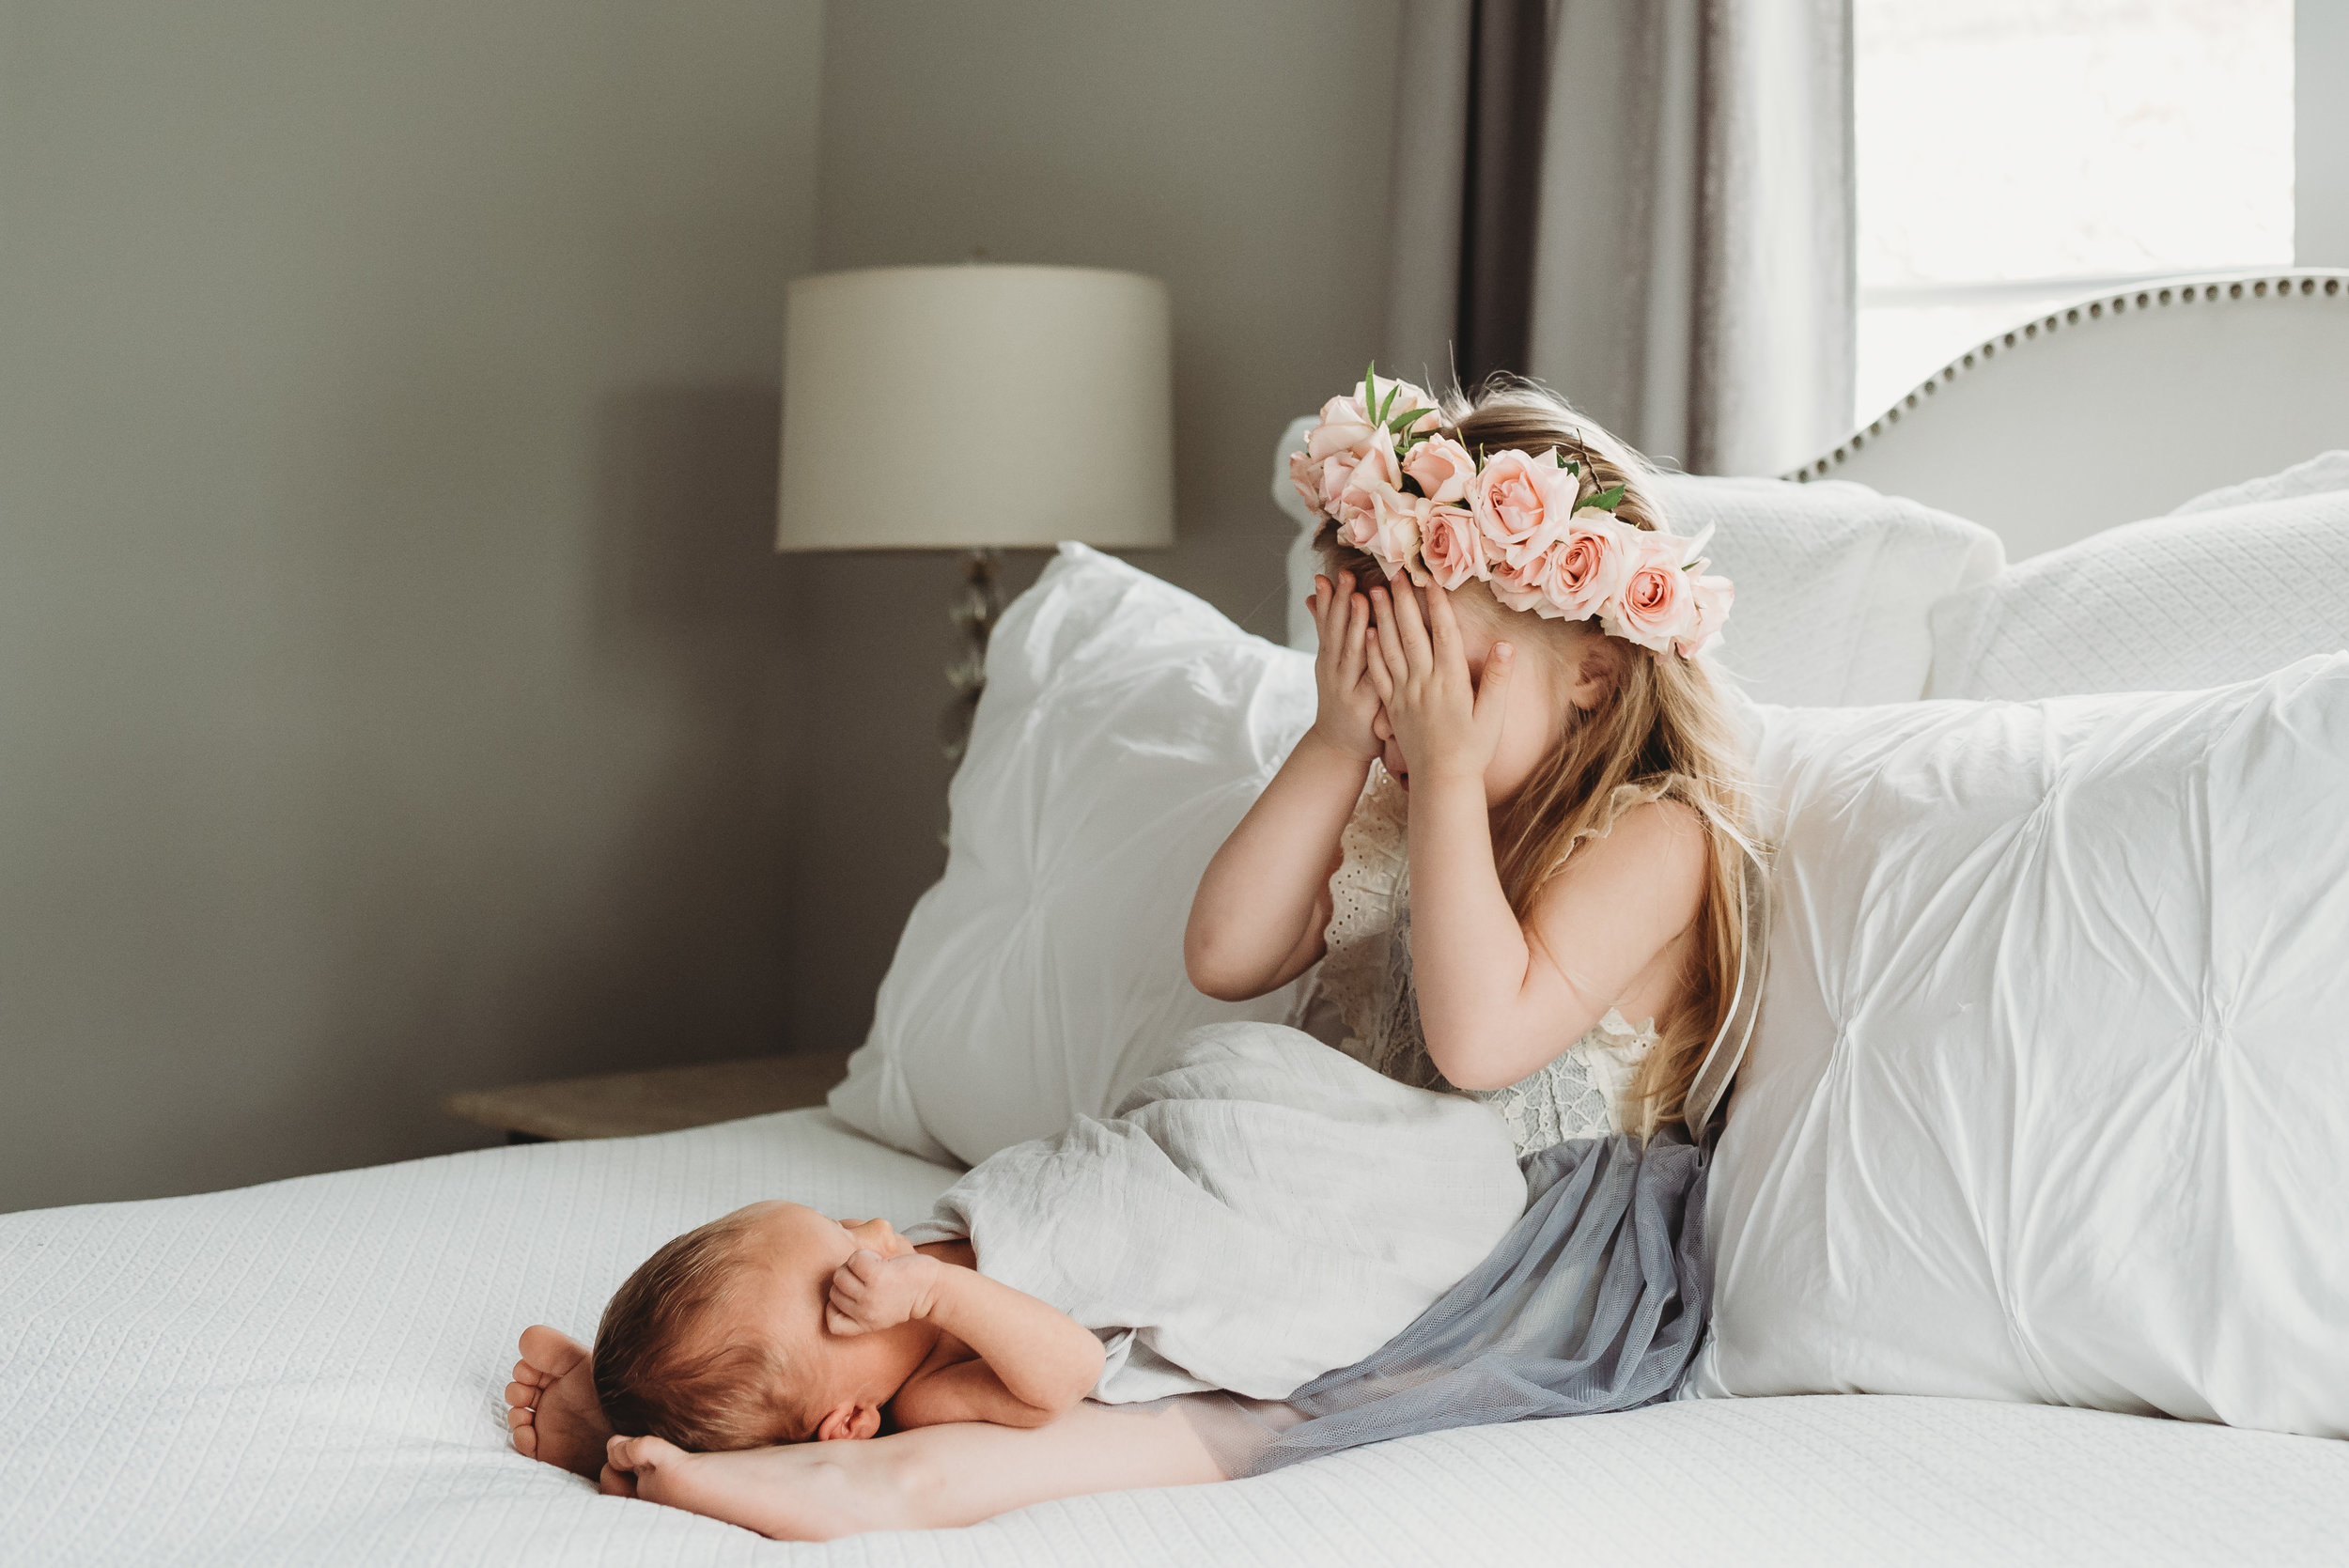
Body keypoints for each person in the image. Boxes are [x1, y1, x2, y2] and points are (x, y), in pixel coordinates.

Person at [505, 372, 1761, 1538]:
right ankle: (664, 1414)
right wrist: (1337, 740)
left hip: (1508, 1247)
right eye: (1393, 680)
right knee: (1085, 1320)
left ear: (1596, 673)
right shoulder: (1400, 802)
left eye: (1454, 677)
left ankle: (783, 1459)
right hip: (1304, 1193)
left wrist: (1435, 766)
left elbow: (1480, 1038)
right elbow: (1225, 952)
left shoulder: (1657, 832)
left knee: (1162, 1413)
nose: (1413, 714)